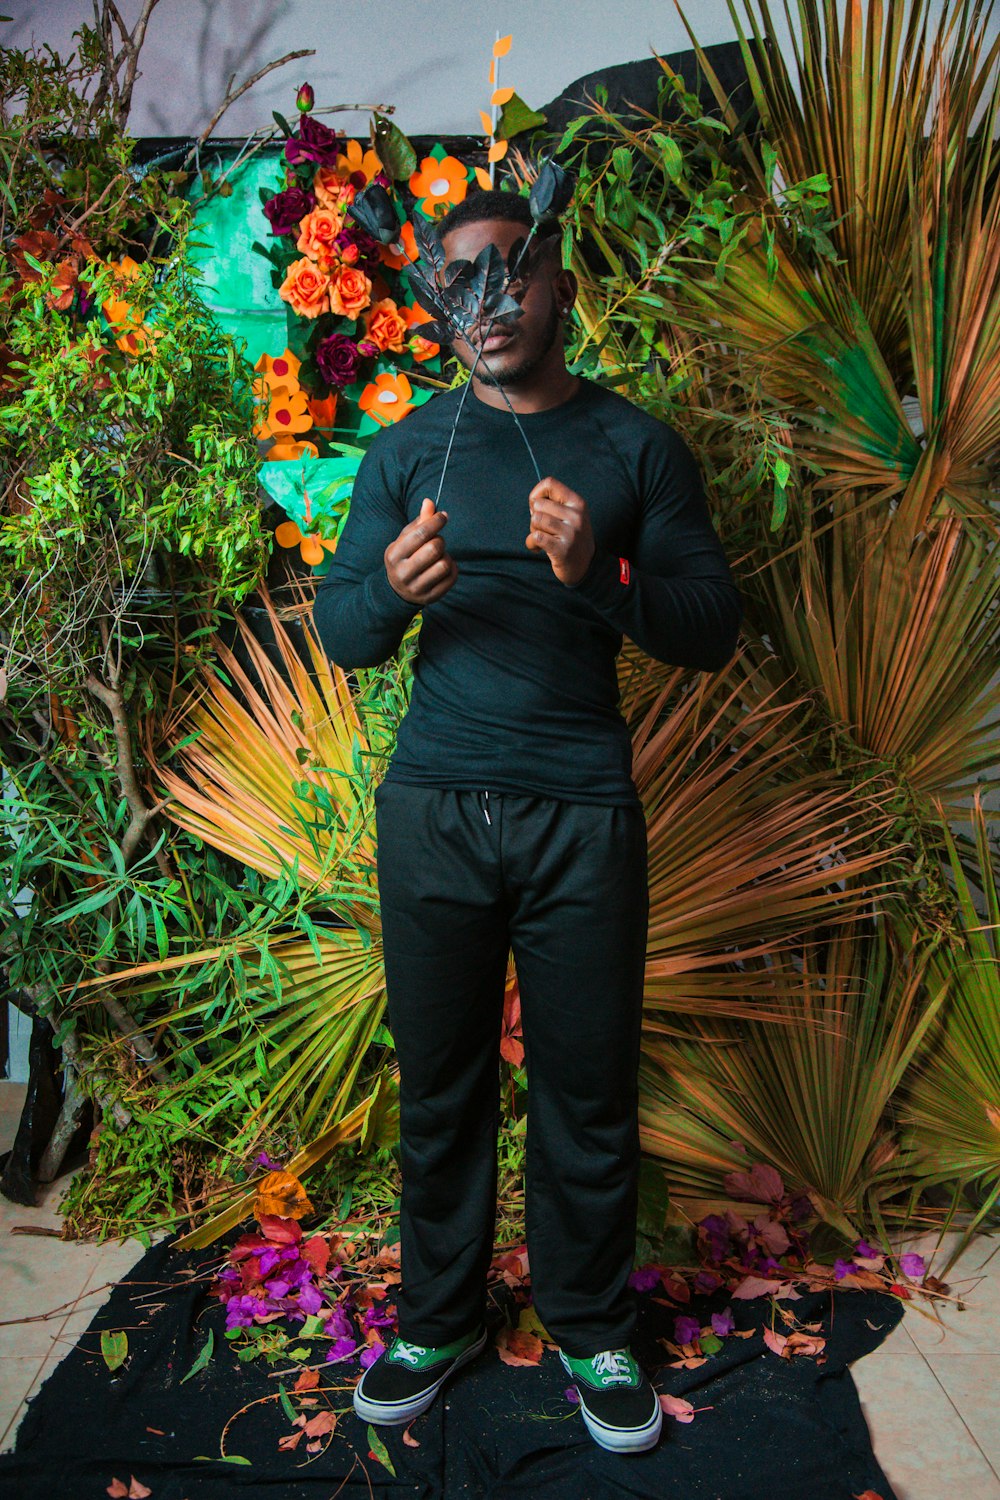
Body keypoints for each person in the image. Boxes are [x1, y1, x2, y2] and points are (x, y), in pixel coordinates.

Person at [312, 188, 743, 1454]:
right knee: (439, 1086)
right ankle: (438, 1317)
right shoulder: (407, 452)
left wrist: (596, 573)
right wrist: (389, 595)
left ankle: (588, 1325)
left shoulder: (632, 446)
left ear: (557, 286)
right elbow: (341, 632)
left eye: (507, 277)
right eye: (456, 284)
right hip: (436, 805)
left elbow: (709, 628)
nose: (483, 304)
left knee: (583, 1087)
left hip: (581, 813)